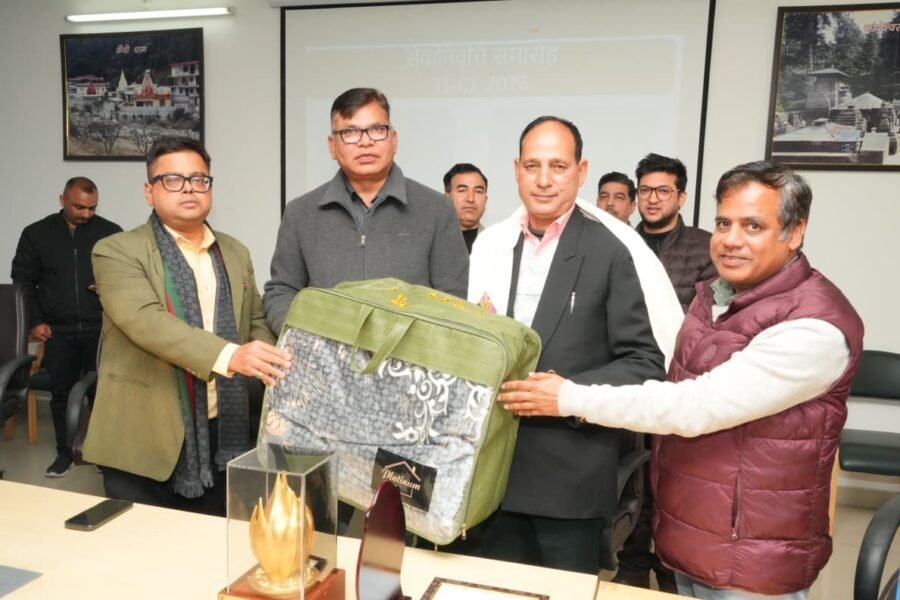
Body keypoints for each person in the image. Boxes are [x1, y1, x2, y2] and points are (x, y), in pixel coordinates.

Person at [498, 161, 864, 598]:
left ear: (795, 231)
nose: (731, 240)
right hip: (696, 535)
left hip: (752, 555)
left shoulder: (814, 327)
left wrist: (568, 397)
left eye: (753, 226)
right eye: (724, 223)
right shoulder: (715, 298)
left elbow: (693, 406)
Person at [466, 116, 683, 574]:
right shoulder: (491, 244)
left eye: (558, 166)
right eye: (532, 165)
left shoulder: (612, 251)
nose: (544, 179)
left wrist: (567, 393)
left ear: (581, 172)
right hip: (490, 476)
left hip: (567, 481)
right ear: (516, 170)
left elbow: (645, 362)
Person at [82, 137, 291, 516]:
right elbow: (145, 321)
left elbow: (255, 320)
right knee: (142, 545)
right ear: (149, 191)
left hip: (223, 428)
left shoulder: (234, 251)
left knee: (213, 542)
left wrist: (270, 364)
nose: (189, 189)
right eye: (173, 180)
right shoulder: (116, 250)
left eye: (199, 179)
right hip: (143, 433)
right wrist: (231, 356)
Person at [264, 87, 469, 333]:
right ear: (332, 146)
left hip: (411, 353)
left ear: (394, 139)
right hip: (325, 352)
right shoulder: (300, 214)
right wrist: (302, 337)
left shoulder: (436, 210)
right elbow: (281, 290)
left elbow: (453, 299)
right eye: (350, 132)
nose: (365, 141)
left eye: (377, 130)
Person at [10, 177, 122, 477]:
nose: (86, 213)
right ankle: (65, 452)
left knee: (102, 392)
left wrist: (108, 285)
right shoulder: (36, 234)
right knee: (61, 393)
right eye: (79, 207)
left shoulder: (110, 233)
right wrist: (34, 321)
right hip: (56, 331)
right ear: (62, 200)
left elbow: (127, 276)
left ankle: (101, 453)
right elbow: (23, 283)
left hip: (101, 328)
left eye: (92, 208)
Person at [634, 153, 717, 310]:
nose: (652, 199)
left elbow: (708, 314)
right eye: (644, 190)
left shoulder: (707, 247)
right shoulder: (622, 243)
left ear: (681, 198)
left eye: (663, 191)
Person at [443, 162, 488, 253]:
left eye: (478, 191)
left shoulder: (499, 244)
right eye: (462, 190)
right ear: (446, 199)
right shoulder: (430, 243)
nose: (470, 199)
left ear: (485, 200)